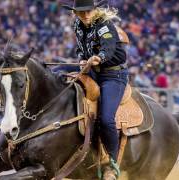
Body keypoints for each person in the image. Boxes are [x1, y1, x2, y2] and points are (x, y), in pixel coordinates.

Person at [63, 0, 129, 179]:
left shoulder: (104, 25)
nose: (85, 15)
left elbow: (108, 48)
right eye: (81, 12)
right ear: (75, 13)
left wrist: (98, 58)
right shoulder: (77, 24)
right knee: (58, 75)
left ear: (95, 10)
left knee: (106, 119)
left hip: (113, 76)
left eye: (88, 11)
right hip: (92, 72)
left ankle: (112, 163)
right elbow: (80, 48)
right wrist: (82, 59)